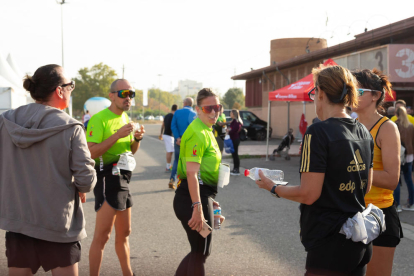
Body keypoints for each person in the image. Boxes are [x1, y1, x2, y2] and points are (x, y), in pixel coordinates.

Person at [256, 65, 374, 275]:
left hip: (330, 243)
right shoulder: (363, 130)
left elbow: (309, 194)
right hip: (359, 240)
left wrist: (273, 188)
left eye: (313, 93)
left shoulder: (318, 131)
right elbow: (365, 188)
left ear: (320, 93)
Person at [0, 64, 96, 276]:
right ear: (59, 91)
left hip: (18, 222)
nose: (72, 89)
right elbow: (86, 180)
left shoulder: (5, 121)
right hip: (58, 224)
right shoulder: (71, 127)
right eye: (70, 85)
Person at [87, 79, 145, 276]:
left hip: (123, 179)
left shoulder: (126, 118)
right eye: (123, 94)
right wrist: (117, 135)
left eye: (131, 94)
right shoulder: (99, 119)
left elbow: (132, 151)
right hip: (107, 177)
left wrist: (136, 139)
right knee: (102, 236)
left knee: (125, 233)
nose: (128, 98)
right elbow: (91, 152)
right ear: (111, 96)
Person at [352, 69, 401, 276]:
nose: (353, 94)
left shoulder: (386, 128)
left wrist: (353, 171)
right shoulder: (349, 125)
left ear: (376, 95)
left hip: (378, 215)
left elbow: (392, 179)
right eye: (350, 89)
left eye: (359, 90)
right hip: (350, 213)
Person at [173, 88, 223, 276]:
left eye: (217, 107)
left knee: (201, 251)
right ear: (198, 109)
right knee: (200, 252)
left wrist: (210, 199)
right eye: (208, 108)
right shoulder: (197, 132)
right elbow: (192, 174)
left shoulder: (207, 129)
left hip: (201, 195)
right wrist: (198, 206)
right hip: (191, 198)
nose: (214, 112)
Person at [169, 97, 197, 189]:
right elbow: (194, 129)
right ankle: (184, 184)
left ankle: (172, 179)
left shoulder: (177, 112)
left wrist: (177, 138)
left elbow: (173, 126)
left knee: (177, 160)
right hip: (189, 141)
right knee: (188, 161)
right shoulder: (194, 114)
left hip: (178, 140)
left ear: (184, 103)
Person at [394, 106, 414, 212]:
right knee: (409, 180)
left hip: (399, 154)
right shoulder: (410, 126)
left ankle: (397, 205)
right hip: (409, 155)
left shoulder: (395, 125)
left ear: (396, 114)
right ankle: (412, 203)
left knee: (397, 180)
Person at [160, 104, 178, 172]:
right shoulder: (174, 116)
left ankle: (169, 165)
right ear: (177, 109)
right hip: (169, 135)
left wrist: (161, 133)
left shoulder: (167, 115)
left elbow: (163, 125)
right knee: (169, 151)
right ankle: (168, 166)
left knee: (170, 151)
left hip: (165, 135)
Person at [228, 109, 243, 175]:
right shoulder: (234, 121)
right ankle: (235, 169)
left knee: (235, 155)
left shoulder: (236, 121)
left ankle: (236, 170)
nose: (230, 114)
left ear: (233, 114)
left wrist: (228, 131)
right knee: (234, 155)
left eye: (231, 113)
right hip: (234, 139)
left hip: (235, 139)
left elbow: (234, 130)